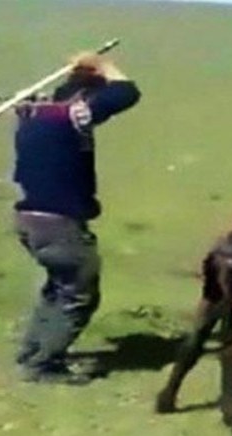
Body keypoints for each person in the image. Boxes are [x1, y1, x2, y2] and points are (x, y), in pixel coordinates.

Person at [12, 53, 141, 383]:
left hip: (29, 218)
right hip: (59, 223)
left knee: (57, 287)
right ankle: (43, 365)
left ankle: (31, 350)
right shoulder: (73, 115)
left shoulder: (31, 118)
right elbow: (127, 93)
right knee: (79, 294)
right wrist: (102, 65)